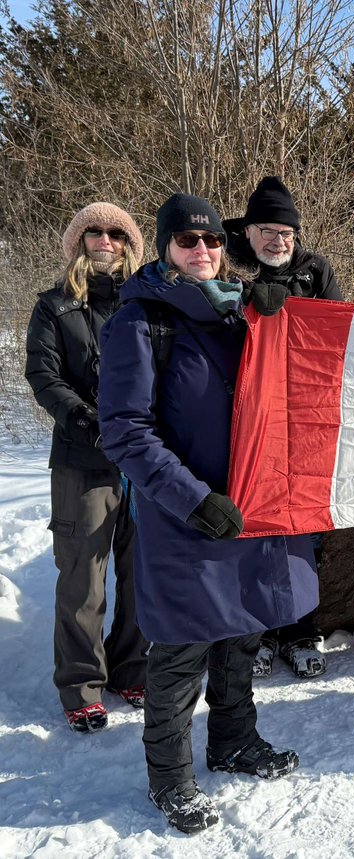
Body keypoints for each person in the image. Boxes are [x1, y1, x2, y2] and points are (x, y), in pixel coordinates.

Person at [98, 193, 318, 834]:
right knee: (183, 645)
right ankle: (169, 777)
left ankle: (233, 739)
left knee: (243, 626)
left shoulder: (236, 312)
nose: (202, 251)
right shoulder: (139, 322)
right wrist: (193, 499)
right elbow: (126, 431)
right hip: (184, 514)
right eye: (188, 241)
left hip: (249, 503)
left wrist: (277, 310)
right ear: (165, 247)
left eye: (213, 241)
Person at [24, 202, 148, 733]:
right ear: (78, 242)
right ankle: (80, 686)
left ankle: (132, 668)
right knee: (83, 580)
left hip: (143, 461)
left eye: (115, 233)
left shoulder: (146, 303)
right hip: (83, 458)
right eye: (93, 232)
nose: (104, 240)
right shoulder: (54, 305)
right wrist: (85, 420)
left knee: (143, 574)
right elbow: (43, 373)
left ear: (128, 244)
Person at [224, 175, 342, 679]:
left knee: (302, 533)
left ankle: (300, 630)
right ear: (248, 234)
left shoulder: (318, 272)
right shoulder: (221, 268)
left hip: (306, 423)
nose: (278, 240)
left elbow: (341, 335)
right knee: (254, 530)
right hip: (248, 424)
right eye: (268, 230)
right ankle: (260, 635)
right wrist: (249, 303)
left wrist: (295, 310)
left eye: (287, 232)